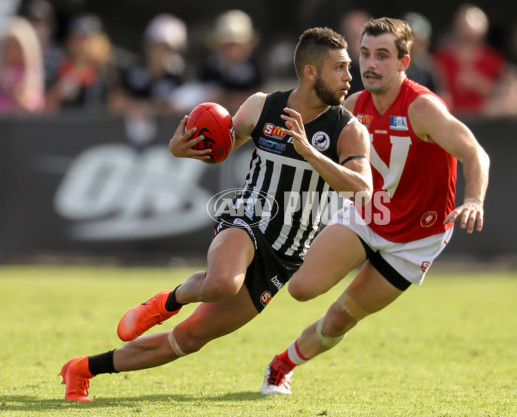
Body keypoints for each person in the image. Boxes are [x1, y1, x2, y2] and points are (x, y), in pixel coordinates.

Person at [59, 26, 373, 402]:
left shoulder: (348, 129)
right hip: (247, 218)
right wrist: (181, 150)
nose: (348, 77)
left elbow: (363, 189)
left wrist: (310, 153)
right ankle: (170, 299)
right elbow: (221, 146)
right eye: (339, 68)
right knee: (223, 282)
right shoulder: (262, 106)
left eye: (348, 68)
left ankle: (82, 369)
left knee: (190, 339)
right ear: (310, 71)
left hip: (286, 253)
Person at [260, 17, 490, 395]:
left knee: (338, 320)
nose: (370, 64)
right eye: (364, 54)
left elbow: (474, 152)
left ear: (403, 62)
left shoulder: (422, 107)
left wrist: (474, 200)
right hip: (368, 214)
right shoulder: (352, 105)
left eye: (382, 56)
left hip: (416, 238)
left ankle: (281, 366)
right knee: (301, 288)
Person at [433, 4, 506, 116]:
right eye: (463, 22)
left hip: (484, 117)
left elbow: (504, 89)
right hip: (449, 117)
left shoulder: (492, 59)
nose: (468, 27)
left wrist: (481, 84)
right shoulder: (440, 59)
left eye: (475, 21)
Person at [0, 16, 45, 114]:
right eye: (9, 46)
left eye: (17, 46)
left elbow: (38, 106)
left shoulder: (33, 76)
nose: (13, 52)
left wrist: (23, 101)